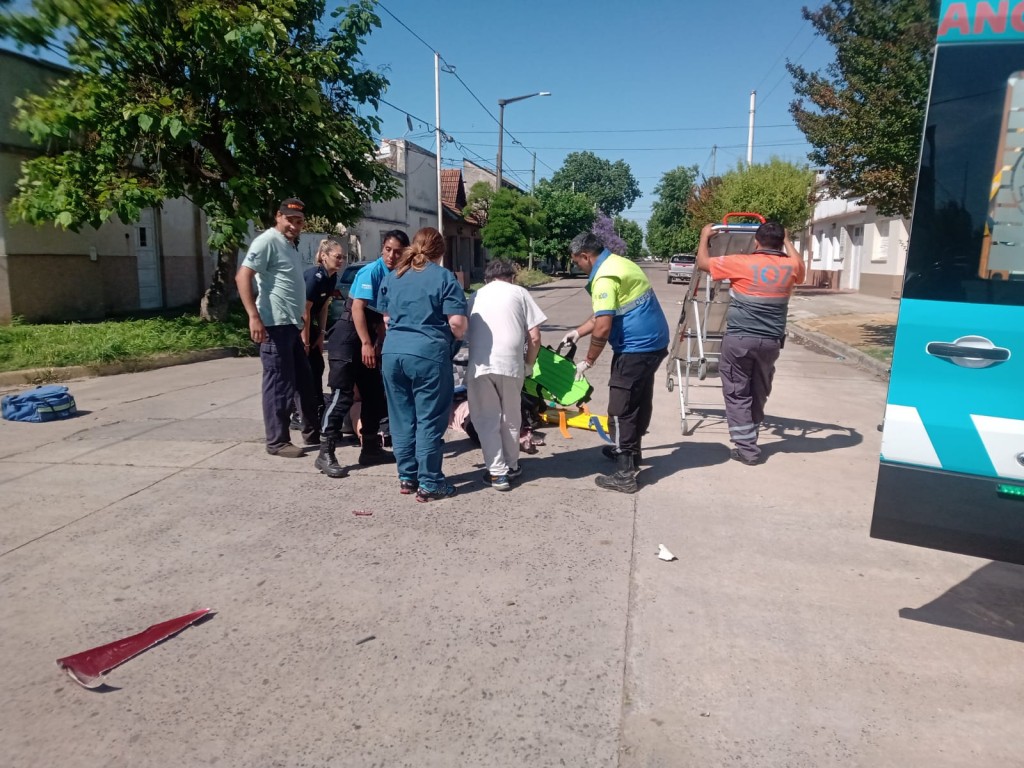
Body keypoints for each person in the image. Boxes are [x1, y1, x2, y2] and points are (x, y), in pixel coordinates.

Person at [560, 232, 669, 494]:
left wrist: (588, 360)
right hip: (653, 343)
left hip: (636, 348)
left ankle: (624, 473)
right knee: (638, 399)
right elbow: (603, 313)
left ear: (586, 256)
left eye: (578, 262)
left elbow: (603, 328)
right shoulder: (620, 263)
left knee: (620, 408)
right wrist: (578, 331)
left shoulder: (605, 277)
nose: (578, 266)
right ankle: (632, 453)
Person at [695, 220, 805, 465]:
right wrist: (787, 239)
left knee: (737, 393)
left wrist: (704, 237)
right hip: (771, 343)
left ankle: (747, 450)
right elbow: (800, 266)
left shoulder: (741, 262)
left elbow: (703, 264)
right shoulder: (791, 267)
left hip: (740, 340)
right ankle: (750, 437)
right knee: (758, 391)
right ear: (782, 241)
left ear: (756, 241)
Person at [377, 227, 468, 502]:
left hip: (393, 355)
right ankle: (430, 483)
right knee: (429, 418)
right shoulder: (444, 278)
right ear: (440, 251)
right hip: (428, 355)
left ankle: (407, 476)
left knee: (401, 418)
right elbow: (457, 324)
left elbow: (386, 317)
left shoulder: (394, 276)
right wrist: (454, 338)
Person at [316, 229, 409, 477]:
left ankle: (370, 448)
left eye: (398, 251)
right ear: (382, 249)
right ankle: (325, 452)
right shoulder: (371, 271)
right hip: (347, 338)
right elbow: (358, 308)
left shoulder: (395, 275)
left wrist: (382, 344)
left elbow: (378, 316)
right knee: (342, 396)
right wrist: (367, 344)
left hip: (366, 336)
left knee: (374, 394)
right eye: (388, 249)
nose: (392, 255)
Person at [235, 197, 321, 458]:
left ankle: (312, 431)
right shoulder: (267, 241)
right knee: (279, 384)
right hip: (274, 325)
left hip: (291, 325)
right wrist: (254, 317)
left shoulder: (290, 245)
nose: (295, 225)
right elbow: (243, 276)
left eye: (299, 221)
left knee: (305, 382)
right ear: (278, 216)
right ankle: (277, 441)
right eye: (290, 220)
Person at [466, 259, 546, 491]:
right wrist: (529, 364)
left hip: (481, 367)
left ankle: (497, 473)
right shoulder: (519, 293)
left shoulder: (476, 295)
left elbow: (465, 330)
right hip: (511, 365)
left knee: (486, 419)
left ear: (488, 278)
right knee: (511, 417)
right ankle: (511, 466)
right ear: (511, 277)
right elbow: (535, 336)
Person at [295, 238, 344, 434]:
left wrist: (321, 336)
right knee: (305, 372)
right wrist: (305, 341)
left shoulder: (331, 277)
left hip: (310, 325)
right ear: (324, 256)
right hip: (297, 325)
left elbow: (324, 307)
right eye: (337, 256)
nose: (341, 260)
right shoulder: (315, 277)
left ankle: (314, 411)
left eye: (343, 257)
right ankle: (298, 415)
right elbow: (304, 310)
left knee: (318, 367)